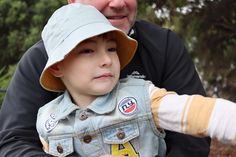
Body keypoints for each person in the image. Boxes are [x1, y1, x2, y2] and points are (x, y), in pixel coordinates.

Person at [0, 0, 210, 157]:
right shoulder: (39, 60)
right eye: (87, 51)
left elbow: (192, 135)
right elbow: (14, 142)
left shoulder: (163, 45)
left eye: (112, 49)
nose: (118, 3)